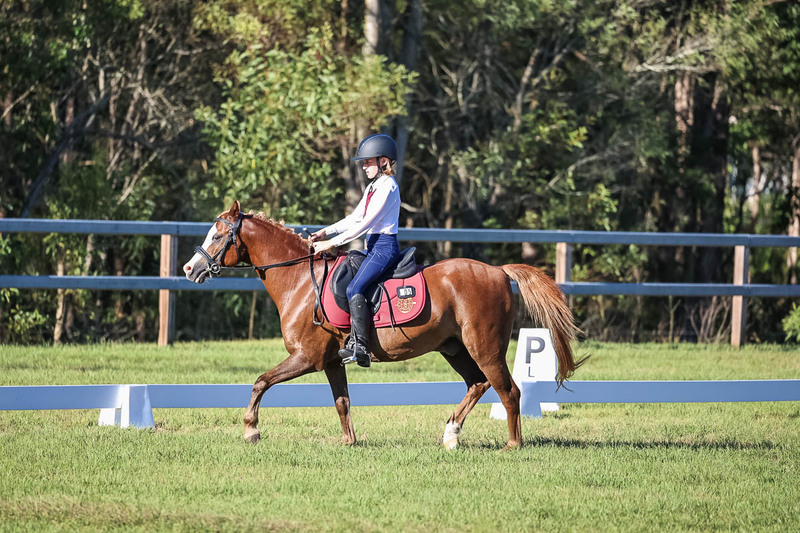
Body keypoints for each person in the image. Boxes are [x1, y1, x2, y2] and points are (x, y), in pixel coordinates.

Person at [310, 134, 402, 368]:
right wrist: (325, 232)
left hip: (384, 248)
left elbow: (365, 224)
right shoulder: (373, 186)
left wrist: (331, 244)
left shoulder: (388, 186)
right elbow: (354, 217)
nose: (363, 166)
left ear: (383, 161)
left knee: (355, 287)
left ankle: (360, 345)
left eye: (368, 161)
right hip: (372, 247)